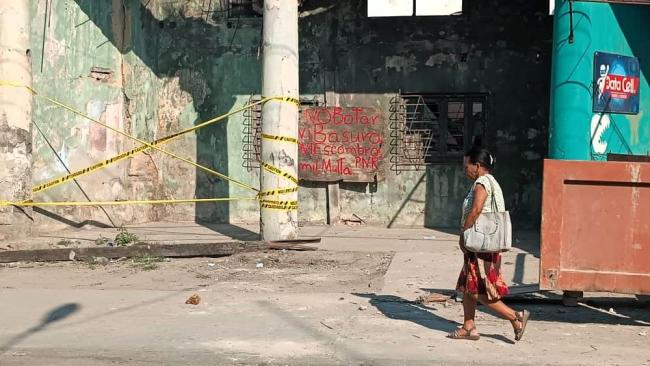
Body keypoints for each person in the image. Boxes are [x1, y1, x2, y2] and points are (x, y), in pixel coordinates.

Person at [447, 147, 529, 342]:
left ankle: (515, 317)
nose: (464, 169)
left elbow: (476, 210)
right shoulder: (491, 182)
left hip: (481, 247)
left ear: (477, 166)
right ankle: (469, 326)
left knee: (481, 291)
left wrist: (464, 233)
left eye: (466, 165)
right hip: (484, 246)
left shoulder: (482, 183)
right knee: (470, 286)